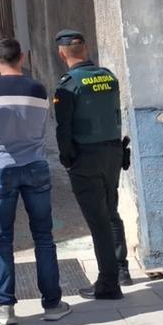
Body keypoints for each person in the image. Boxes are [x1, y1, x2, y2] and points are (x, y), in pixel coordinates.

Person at [0, 38, 72, 325]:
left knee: (2, 239)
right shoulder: (38, 89)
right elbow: (44, 124)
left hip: (0, 170)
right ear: (23, 57)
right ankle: (52, 304)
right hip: (35, 167)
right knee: (44, 237)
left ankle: (5, 307)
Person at [52, 30, 132, 300]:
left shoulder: (69, 84)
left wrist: (67, 158)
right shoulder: (108, 76)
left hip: (85, 157)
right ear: (85, 49)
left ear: (62, 53)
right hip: (112, 153)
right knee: (110, 212)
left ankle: (108, 283)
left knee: (97, 220)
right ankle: (121, 269)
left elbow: (64, 129)